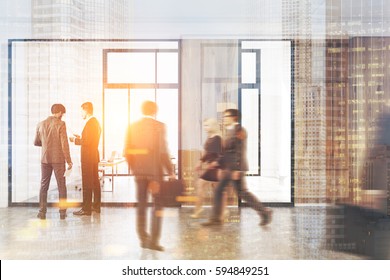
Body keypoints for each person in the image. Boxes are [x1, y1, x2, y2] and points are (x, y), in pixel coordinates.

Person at [202, 108, 272, 227]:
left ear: (234, 117)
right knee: (220, 190)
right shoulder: (228, 131)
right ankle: (216, 219)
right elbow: (226, 152)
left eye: (226, 116)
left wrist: (237, 169)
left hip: (235, 168)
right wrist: (217, 162)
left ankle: (265, 212)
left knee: (242, 193)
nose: (224, 118)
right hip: (228, 168)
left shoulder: (240, 130)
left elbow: (240, 150)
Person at [124, 100, 175, 251]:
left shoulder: (132, 127)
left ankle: (142, 238)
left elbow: (127, 151)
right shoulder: (159, 126)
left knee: (141, 204)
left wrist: (135, 168)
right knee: (157, 205)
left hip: (140, 173)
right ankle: (153, 241)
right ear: (155, 111)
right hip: (155, 174)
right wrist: (170, 170)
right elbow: (163, 151)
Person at [34, 104, 73, 220]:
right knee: (61, 185)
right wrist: (69, 161)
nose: (63, 116)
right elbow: (64, 144)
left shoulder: (40, 124)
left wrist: (46, 144)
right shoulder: (61, 124)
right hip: (58, 160)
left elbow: (36, 142)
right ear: (59, 112)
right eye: (63, 114)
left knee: (43, 185)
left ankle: (42, 212)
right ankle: (62, 213)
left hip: (45, 159)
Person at [70, 102, 101, 216]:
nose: (81, 113)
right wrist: (80, 137)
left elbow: (87, 142)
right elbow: (90, 139)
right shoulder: (96, 123)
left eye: (82, 111)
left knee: (87, 183)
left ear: (86, 110)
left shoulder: (90, 123)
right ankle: (96, 207)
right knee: (95, 182)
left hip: (88, 157)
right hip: (93, 156)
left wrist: (75, 140)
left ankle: (86, 209)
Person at [191, 118, 226, 218]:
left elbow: (222, 155)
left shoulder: (218, 138)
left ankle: (223, 211)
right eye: (204, 125)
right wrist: (200, 162)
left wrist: (216, 164)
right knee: (200, 185)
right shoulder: (209, 137)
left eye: (207, 125)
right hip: (210, 167)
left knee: (218, 191)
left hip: (216, 168)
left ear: (212, 126)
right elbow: (207, 153)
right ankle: (198, 209)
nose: (205, 127)